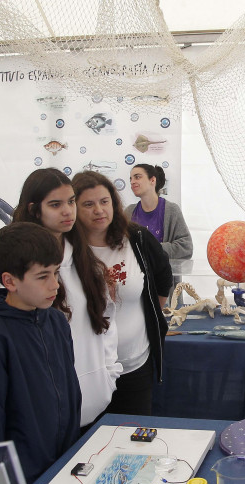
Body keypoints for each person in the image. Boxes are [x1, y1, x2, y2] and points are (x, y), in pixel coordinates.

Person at [0, 222, 82, 484]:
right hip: (20, 479)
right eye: (42, 276)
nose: (55, 285)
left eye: (56, 273)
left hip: (61, 466)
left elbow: (69, 392)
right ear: (10, 281)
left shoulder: (56, 322)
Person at [13, 168, 122, 427]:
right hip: (45, 414)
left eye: (71, 201)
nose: (67, 211)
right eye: (55, 204)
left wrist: (108, 374)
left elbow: (105, 320)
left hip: (92, 403)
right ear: (33, 209)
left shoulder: (85, 261)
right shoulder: (14, 265)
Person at [72, 171, 172, 416]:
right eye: (88, 204)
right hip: (88, 372)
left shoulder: (137, 239)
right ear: (73, 208)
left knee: (134, 441)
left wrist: (151, 314)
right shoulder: (67, 251)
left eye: (104, 201)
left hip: (135, 366)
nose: (99, 210)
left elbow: (163, 276)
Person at [125, 164, 193, 260]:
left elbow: (186, 247)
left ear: (152, 180)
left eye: (137, 177)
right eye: (130, 179)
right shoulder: (129, 212)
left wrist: (153, 249)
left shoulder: (172, 210)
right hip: (136, 274)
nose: (132, 182)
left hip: (164, 274)